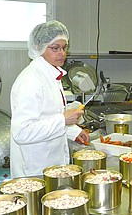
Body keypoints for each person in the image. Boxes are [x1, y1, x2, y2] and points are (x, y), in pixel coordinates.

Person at [10, 20, 89, 178]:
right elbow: (22, 132)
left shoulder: (51, 75)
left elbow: (47, 116)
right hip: (34, 170)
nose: (62, 53)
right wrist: (63, 121)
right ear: (39, 48)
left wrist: (72, 130)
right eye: (55, 48)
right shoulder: (31, 81)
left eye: (64, 48)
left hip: (50, 165)